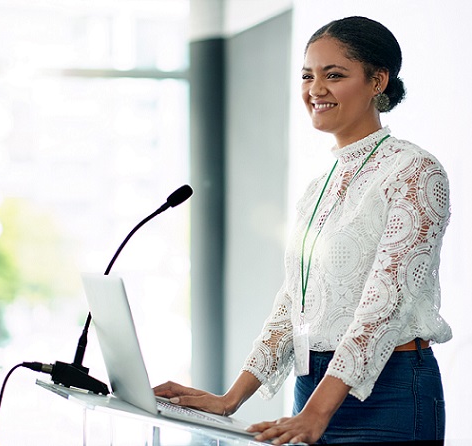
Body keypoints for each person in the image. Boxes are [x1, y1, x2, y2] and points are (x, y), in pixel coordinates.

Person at [155, 16, 452, 445]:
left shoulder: (415, 171)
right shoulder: (318, 187)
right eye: (308, 76)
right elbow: (293, 303)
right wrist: (231, 398)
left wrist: (317, 412)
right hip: (310, 390)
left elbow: (384, 306)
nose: (316, 89)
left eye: (335, 75)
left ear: (377, 82)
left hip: (389, 396)